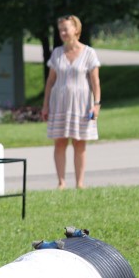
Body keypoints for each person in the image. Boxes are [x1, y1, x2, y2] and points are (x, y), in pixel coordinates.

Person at [41, 14, 102, 190]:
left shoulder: (89, 53)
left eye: (66, 29)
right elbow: (50, 81)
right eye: (60, 30)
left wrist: (96, 104)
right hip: (59, 104)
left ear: (76, 29)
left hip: (81, 104)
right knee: (59, 142)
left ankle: (80, 183)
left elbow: (95, 82)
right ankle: (61, 182)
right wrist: (45, 105)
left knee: (79, 142)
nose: (63, 32)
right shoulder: (57, 53)